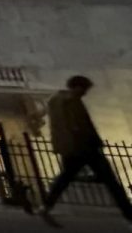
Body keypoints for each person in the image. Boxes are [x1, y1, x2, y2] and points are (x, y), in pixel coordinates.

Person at [38, 76, 132, 228]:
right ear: (77, 87)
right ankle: (129, 216)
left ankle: (45, 206)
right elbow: (81, 125)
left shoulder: (55, 100)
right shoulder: (71, 101)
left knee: (65, 178)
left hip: (69, 148)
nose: (85, 93)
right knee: (112, 183)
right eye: (84, 89)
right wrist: (94, 143)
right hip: (84, 148)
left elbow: (58, 128)